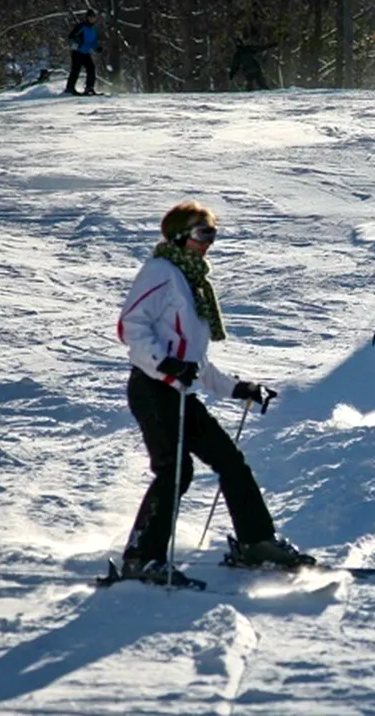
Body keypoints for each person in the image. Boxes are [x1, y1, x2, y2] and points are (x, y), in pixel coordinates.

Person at [117, 201, 314, 584]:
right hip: (153, 389)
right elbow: (130, 328)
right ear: (179, 236)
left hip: (178, 392)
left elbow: (195, 361)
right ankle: (142, 558)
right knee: (175, 472)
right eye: (202, 233)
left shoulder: (191, 282)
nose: (209, 242)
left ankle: (257, 542)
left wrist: (238, 388)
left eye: (213, 234)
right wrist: (164, 363)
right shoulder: (161, 271)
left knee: (230, 462)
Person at [64, 10, 102, 95]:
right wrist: (77, 43)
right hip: (77, 52)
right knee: (76, 69)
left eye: (94, 17)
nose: (92, 19)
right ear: (87, 17)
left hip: (85, 52)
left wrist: (97, 47)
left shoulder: (94, 29)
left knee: (91, 68)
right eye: (90, 17)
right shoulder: (81, 26)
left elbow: (93, 41)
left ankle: (89, 88)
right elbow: (71, 37)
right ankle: (70, 88)